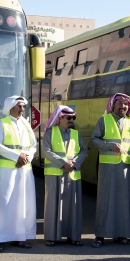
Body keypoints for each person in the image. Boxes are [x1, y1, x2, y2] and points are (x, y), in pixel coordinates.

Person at [89, 93, 130, 247]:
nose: (123, 106)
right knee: (105, 201)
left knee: (124, 202)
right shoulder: (103, 120)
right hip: (107, 168)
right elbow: (94, 140)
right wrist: (109, 146)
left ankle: (123, 234)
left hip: (125, 168)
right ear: (112, 105)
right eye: (119, 103)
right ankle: (100, 235)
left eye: (126, 104)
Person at [0, 95, 37, 251]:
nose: (22, 109)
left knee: (23, 203)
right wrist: (17, 156)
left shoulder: (26, 123)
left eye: (23, 106)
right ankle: (0, 238)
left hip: (24, 169)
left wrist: (27, 158)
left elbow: (33, 145)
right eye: (19, 106)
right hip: (7, 169)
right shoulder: (2, 123)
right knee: (4, 202)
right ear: (10, 107)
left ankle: (20, 237)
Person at [42, 105, 87, 247]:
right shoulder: (50, 133)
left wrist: (74, 163)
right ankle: (51, 237)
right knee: (53, 207)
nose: (71, 120)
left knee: (73, 207)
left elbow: (83, 151)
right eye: (69, 117)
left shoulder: (76, 134)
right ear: (60, 118)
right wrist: (63, 163)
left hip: (72, 174)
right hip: (55, 174)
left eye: (73, 117)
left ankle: (73, 236)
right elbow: (46, 151)